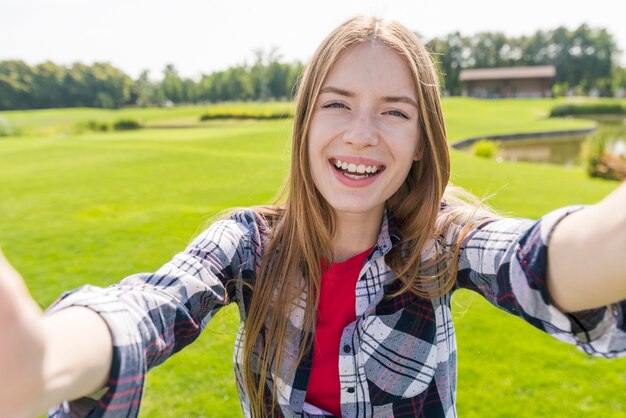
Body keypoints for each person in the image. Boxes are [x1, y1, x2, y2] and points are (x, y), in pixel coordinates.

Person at [1, 15, 626, 418]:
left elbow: (542, 259)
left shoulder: (442, 240)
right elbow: (153, 305)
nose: (361, 135)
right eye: (338, 104)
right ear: (306, 124)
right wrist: (49, 359)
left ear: (421, 141)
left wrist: (606, 240)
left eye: (395, 112)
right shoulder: (246, 242)